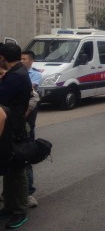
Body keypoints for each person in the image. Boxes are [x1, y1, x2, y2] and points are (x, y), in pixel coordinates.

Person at [0, 43, 32, 229]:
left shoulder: (15, 76)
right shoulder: (16, 73)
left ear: (3, 57)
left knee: (17, 170)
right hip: (12, 126)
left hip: (14, 128)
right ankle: (11, 206)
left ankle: (20, 210)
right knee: (10, 168)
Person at [20, 51, 41, 208]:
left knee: (25, 153)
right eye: (20, 58)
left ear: (32, 61)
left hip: (27, 119)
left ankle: (28, 191)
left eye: (24, 58)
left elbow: (31, 93)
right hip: (17, 119)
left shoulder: (34, 74)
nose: (22, 61)